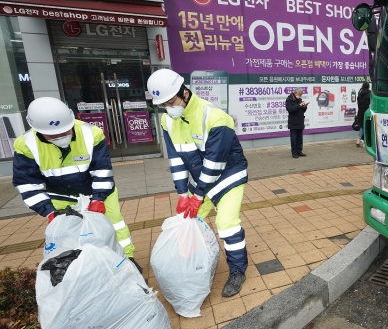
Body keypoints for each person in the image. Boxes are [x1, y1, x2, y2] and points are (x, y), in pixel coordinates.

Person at [147, 69, 249, 297]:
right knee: (189, 220)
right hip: (201, 178)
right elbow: (175, 158)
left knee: (227, 223)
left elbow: (215, 163)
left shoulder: (214, 117)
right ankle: (192, 267)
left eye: (170, 101)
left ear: (184, 92)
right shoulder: (167, 120)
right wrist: (183, 193)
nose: (167, 107)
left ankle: (238, 271)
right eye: (162, 104)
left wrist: (198, 195)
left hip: (228, 175)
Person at [12, 97, 141, 271]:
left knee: (114, 225)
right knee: (70, 235)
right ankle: (85, 268)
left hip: (98, 192)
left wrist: (98, 199)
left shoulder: (91, 133)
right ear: (37, 130)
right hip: (60, 197)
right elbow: (27, 183)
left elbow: (102, 170)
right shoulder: (26, 145)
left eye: (65, 131)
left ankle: (126, 260)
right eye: (53, 135)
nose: (60, 136)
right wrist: (48, 211)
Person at [285, 87, 308, 158]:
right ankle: (294, 153)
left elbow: (302, 111)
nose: (301, 96)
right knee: (294, 139)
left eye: (301, 95)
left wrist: (304, 107)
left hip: (300, 121)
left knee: (300, 138)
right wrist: (299, 105)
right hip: (293, 122)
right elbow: (290, 109)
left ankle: (299, 151)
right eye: (300, 94)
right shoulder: (289, 99)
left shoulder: (299, 99)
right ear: (295, 93)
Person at [356, 82, 371, 147]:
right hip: (367, 112)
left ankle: (359, 140)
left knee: (362, 126)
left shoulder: (359, 94)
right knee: (367, 127)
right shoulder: (369, 94)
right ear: (368, 87)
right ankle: (364, 142)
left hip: (360, 112)